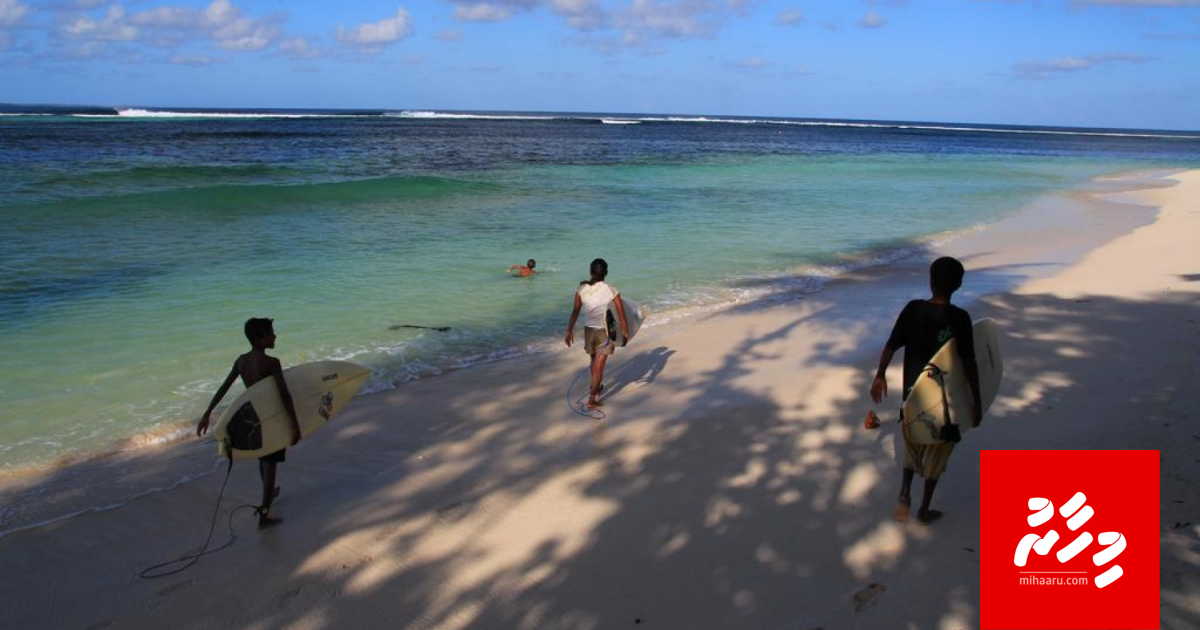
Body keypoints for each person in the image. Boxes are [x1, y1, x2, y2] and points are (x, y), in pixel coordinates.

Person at [869, 257, 981, 525]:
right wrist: (976, 401)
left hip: (912, 397)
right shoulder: (960, 318)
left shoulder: (913, 309)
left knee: (912, 446)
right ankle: (924, 509)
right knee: (937, 455)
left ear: (930, 282)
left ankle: (904, 494)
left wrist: (880, 374)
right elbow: (969, 363)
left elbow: (891, 344)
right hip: (945, 404)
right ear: (959, 285)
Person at [196, 318, 300, 529]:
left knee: (263, 457)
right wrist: (295, 424)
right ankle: (264, 514)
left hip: (254, 417)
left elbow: (224, 387)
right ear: (260, 339)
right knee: (271, 463)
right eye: (271, 333)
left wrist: (207, 413)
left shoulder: (241, 361)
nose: (275, 336)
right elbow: (284, 395)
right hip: (272, 417)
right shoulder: (272, 363)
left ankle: (269, 492)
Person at [565, 258, 629, 410]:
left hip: (589, 331)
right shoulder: (611, 290)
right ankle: (592, 399)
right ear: (606, 272)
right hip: (605, 332)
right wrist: (625, 333)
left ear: (590, 271)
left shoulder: (581, 289)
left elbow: (575, 311)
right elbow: (621, 314)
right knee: (599, 366)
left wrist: (569, 330)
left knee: (594, 361)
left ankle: (595, 387)